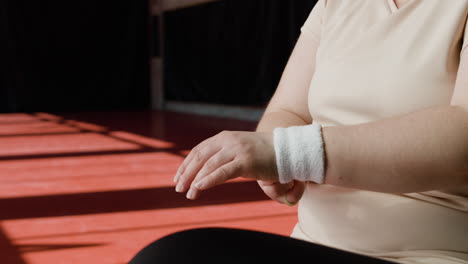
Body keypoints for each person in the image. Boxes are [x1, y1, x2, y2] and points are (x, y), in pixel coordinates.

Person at [130, 0, 468, 263]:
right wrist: (278, 156)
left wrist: (287, 152)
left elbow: (462, 137)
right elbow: (287, 109)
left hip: (431, 254)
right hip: (315, 245)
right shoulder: (334, 4)